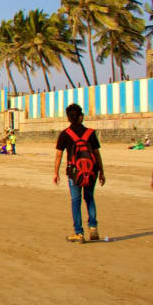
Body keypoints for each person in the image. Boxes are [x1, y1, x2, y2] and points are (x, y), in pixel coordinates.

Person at [53, 103, 105, 243]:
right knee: (89, 198)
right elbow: (96, 154)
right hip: (91, 170)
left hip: (74, 172)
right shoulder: (90, 133)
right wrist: (101, 172)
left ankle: (79, 233)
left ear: (68, 118)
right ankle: (93, 228)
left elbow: (59, 155)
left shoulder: (65, 134)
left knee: (76, 201)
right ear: (81, 117)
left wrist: (56, 173)